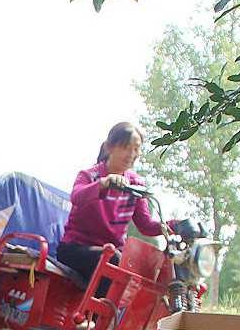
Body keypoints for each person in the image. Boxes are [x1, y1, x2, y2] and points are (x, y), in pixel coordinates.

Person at [57, 121, 168, 291]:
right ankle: (94, 316)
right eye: (126, 147)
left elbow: (146, 225)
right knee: (114, 262)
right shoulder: (90, 176)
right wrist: (104, 184)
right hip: (76, 249)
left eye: (136, 149)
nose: (132, 154)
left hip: (111, 252)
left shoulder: (135, 185)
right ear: (109, 147)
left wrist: (173, 226)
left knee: (144, 269)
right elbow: (76, 196)